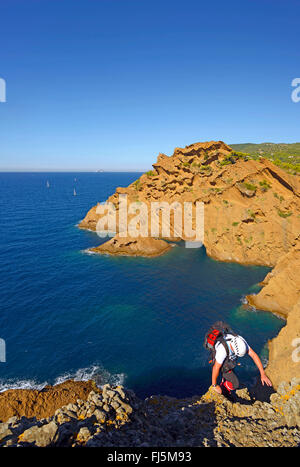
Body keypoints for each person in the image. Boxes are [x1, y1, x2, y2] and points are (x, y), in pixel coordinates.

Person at [204, 321, 272, 395]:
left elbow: (253, 355)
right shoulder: (222, 351)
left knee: (231, 368)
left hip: (228, 356)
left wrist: (262, 374)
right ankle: (224, 389)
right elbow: (216, 368)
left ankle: (225, 380)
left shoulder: (240, 341)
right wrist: (214, 385)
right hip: (223, 358)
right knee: (235, 384)